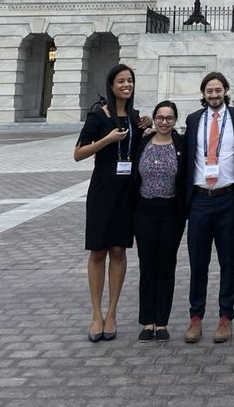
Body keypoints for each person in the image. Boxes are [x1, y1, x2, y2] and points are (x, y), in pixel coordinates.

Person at [74, 63, 145, 342]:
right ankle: (96, 314)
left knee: (118, 250)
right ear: (111, 85)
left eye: (130, 81)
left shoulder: (136, 117)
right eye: (121, 81)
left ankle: (112, 313)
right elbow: (78, 153)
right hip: (102, 191)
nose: (126, 85)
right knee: (97, 251)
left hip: (126, 193)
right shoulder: (98, 116)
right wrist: (107, 139)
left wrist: (148, 128)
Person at [178, 71, 234, 343]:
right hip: (199, 199)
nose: (214, 95)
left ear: (226, 91)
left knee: (228, 260)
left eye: (218, 90)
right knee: (198, 261)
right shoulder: (194, 120)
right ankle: (195, 317)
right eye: (209, 90)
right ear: (204, 94)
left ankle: (225, 317)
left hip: (228, 197)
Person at [134, 99, 185, 340]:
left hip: (170, 213)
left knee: (166, 266)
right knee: (147, 266)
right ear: (154, 119)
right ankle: (147, 321)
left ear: (175, 121)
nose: (164, 122)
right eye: (160, 118)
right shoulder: (142, 142)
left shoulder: (181, 145)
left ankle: (162, 321)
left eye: (169, 118)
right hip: (144, 210)